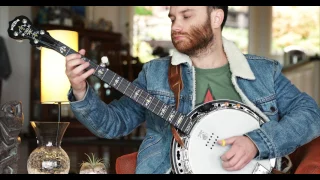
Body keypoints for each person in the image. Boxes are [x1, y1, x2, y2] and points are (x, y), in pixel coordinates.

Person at [65, 6, 320, 174]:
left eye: (187, 16)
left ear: (216, 17)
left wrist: (257, 142)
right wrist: (80, 90)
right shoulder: (155, 74)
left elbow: (311, 114)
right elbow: (113, 124)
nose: (176, 26)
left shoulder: (264, 72)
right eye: (173, 18)